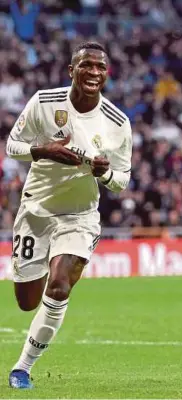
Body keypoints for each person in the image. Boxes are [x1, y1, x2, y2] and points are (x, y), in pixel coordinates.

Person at [6, 41, 132, 389]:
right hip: (36, 211)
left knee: (60, 285)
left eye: (100, 68)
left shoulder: (117, 123)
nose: (94, 72)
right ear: (71, 70)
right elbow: (12, 146)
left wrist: (104, 174)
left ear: (107, 74)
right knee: (26, 301)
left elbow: (122, 179)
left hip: (80, 215)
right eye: (86, 65)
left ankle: (22, 368)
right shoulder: (44, 102)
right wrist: (44, 150)